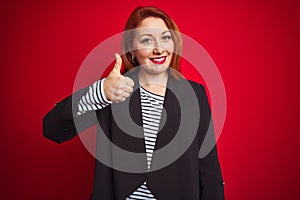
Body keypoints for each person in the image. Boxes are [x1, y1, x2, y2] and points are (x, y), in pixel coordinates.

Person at [43, 6, 225, 200]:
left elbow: (209, 169)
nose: (159, 48)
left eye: (165, 37)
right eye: (147, 40)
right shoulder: (113, 91)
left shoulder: (194, 94)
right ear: (132, 50)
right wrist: (99, 92)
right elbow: (53, 129)